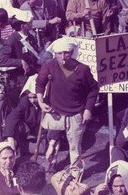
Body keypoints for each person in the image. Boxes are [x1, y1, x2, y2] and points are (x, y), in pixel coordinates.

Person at [35, 37, 99, 166]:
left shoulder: (83, 70)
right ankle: (52, 164)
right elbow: (40, 84)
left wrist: (88, 110)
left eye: (66, 53)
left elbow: (93, 89)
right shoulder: (49, 65)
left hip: (76, 113)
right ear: (55, 54)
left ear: (72, 52)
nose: (63, 56)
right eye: (59, 53)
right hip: (55, 111)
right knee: (52, 140)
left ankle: (75, 171)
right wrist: (41, 102)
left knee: (75, 146)